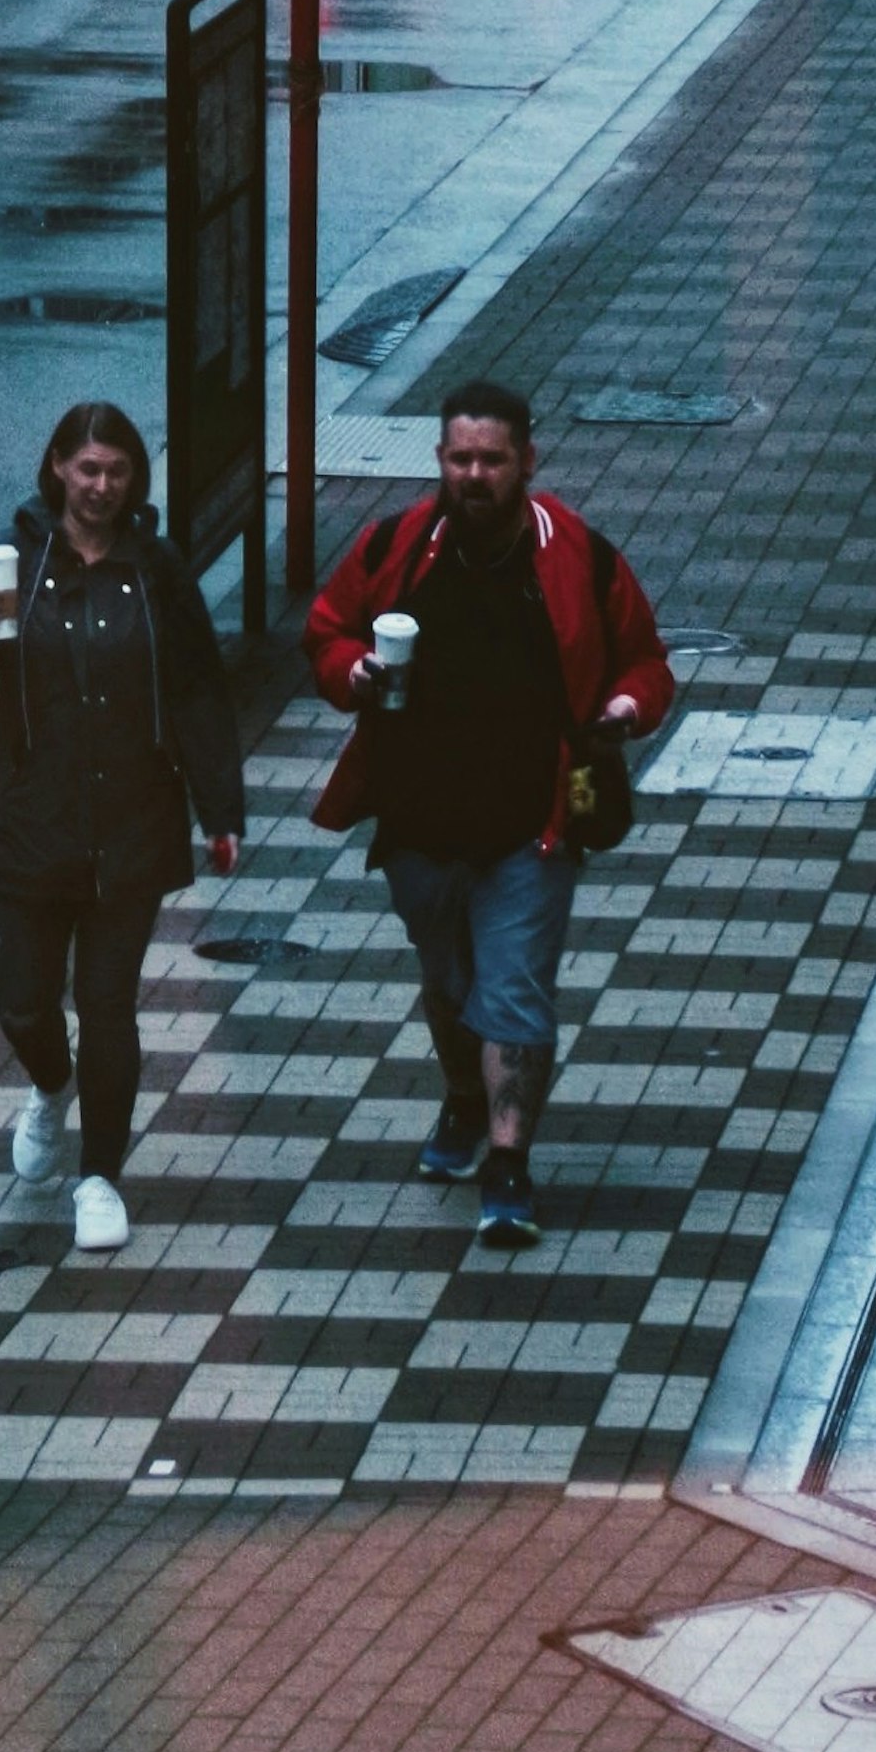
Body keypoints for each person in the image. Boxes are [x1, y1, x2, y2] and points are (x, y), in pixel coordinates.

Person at [304, 381, 673, 1257]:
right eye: (460, 457)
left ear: (526, 461)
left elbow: (645, 662)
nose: (474, 474)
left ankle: (508, 1163)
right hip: (418, 824)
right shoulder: (396, 546)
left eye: (492, 458)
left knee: (512, 989)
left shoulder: (574, 552)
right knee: (451, 985)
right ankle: (466, 1099)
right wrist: (353, 670)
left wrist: (621, 709)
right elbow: (325, 632)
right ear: (440, 460)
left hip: (532, 824)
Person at [0, 397, 244, 1261]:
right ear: (59, 469)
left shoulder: (157, 567)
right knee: (24, 999)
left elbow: (197, 691)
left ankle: (99, 1175)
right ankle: (50, 1085)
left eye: (118, 472)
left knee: (108, 1003)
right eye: (88, 469)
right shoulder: (9, 561)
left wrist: (221, 812)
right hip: (26, 821)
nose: (102, 485)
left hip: (132, 824)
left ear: (134, 478)